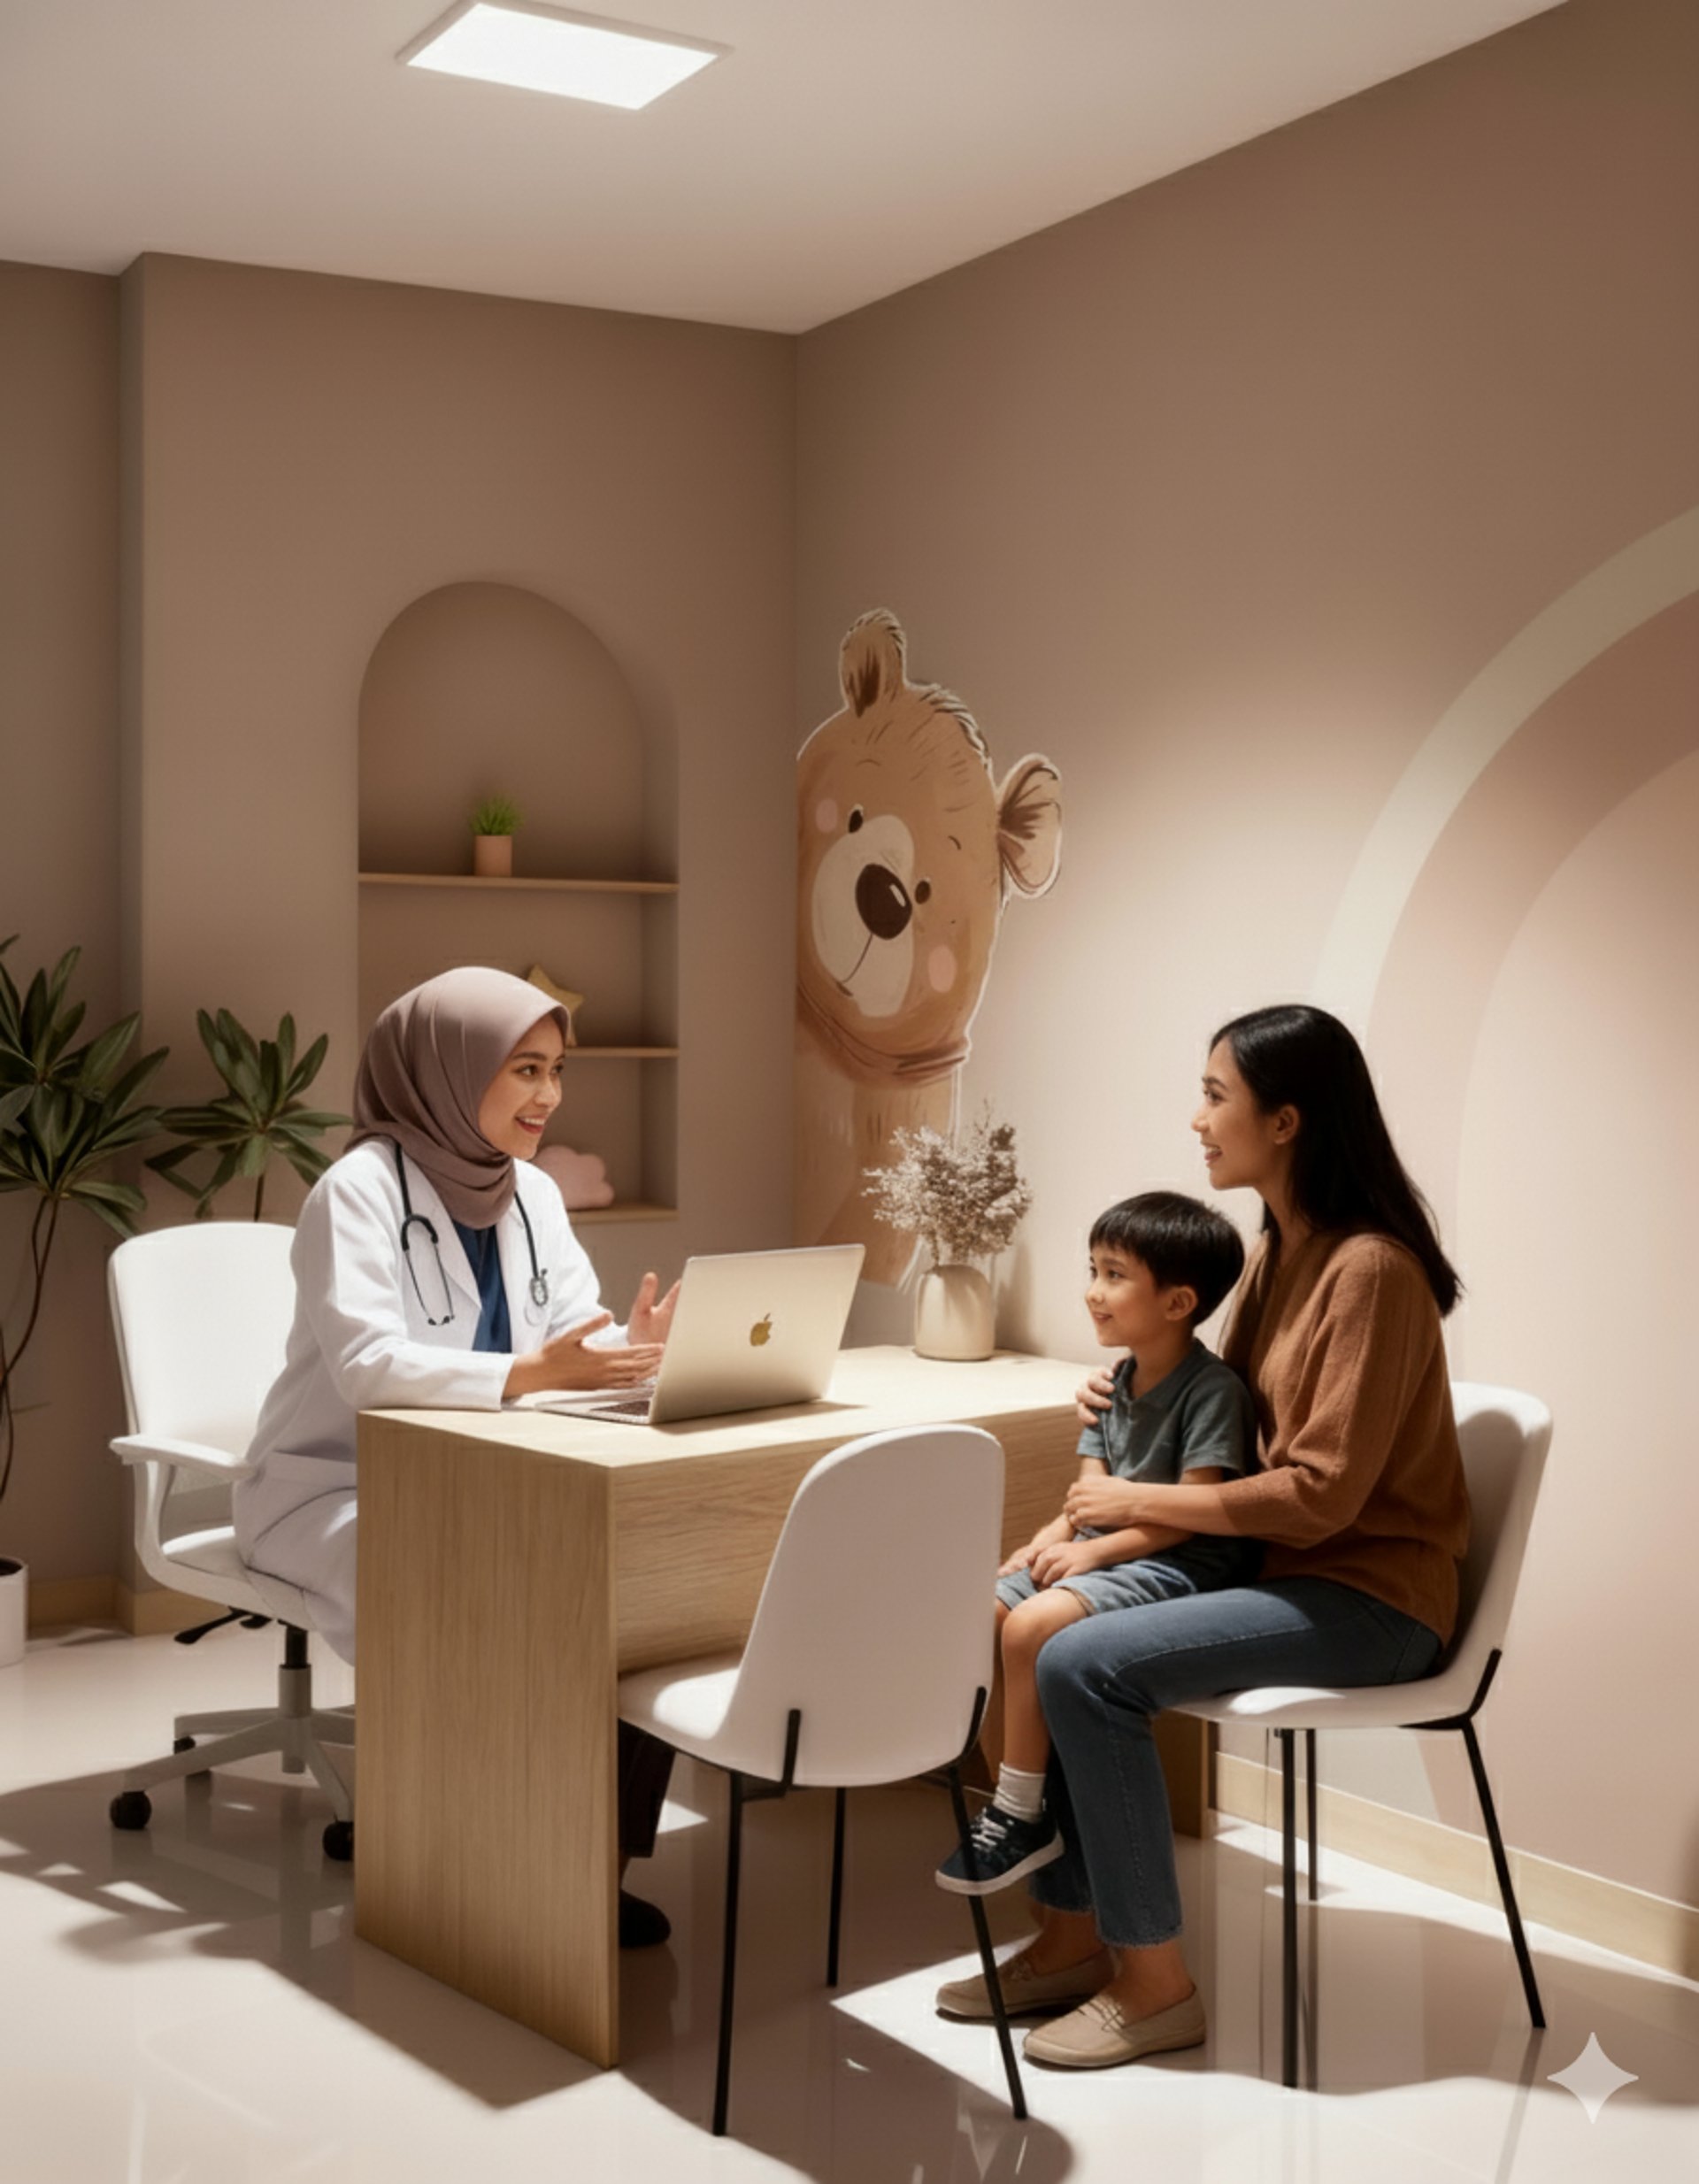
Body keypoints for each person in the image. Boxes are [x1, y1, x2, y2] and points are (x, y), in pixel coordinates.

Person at [935, 1003, 1470, 2068]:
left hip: (1376, 1598)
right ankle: (1075, 1934)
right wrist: (1126, 1386)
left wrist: (1120, 1507)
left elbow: (1316, 1493)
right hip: (1281, 1571)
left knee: (1084, 1659)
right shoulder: (1283, 1250)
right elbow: (1222, 1412)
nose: (1197, 1118)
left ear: (1286, 1119)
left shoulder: (1368, 1269)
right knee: (1020, 1621)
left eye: (1216, 1095)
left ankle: (1156, 1984)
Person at [233, 965, 681, 1944]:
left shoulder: (531, 1193)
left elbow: (570, 1338)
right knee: (472, 1586)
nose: (548, 1095)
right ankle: (461, 1855)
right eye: (524, 1068)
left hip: (488, 1472)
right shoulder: (353, 1191)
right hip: (331, 1488)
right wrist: (538, 1372)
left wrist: (627, 1351)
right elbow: (368, 1367)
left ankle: (585, 1863)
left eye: (558, 1070)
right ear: (446, 1067)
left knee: (630, 1592)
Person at [935, 1191, 1259, 1896]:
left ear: (1177, 1303)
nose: (1092, 1292)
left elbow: (1192, 1513)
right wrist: (1046, 1540)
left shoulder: (1212, 1393)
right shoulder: (1111, 1383)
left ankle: (1020, 1813)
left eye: (1114, 1275)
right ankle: (1015, 1799)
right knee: (986, 1613)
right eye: (1093, 1269)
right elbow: (1086, 1496)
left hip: (1176, 1562)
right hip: (1107, 1552)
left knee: (1032, 1626)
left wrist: (1090, 1554)